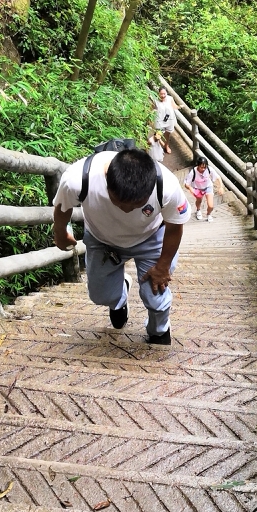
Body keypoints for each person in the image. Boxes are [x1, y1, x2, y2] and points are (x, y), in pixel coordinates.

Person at [53, 145, 190, 346]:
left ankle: (159, 331)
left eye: (136, 205)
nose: (127, 210)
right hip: (102, 238)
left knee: (155, 295)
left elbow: (175, 225)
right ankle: (120, 293)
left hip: (151, 237)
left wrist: (163, 266)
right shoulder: (79, 179)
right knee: (100, 295)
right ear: (107, 180)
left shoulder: (166, 186)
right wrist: (60, 233)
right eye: (119, 202)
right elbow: (62, 207)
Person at [184, 155, 215, 222]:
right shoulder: (193, 172)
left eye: (205, 167)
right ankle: (198, 210)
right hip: (198, 188)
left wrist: (221, 186)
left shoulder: (209, 169)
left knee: (211, 205)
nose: (203, 169)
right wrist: (190, 188)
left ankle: (208, 214)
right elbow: (186, 184)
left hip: (208, 187)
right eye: (201, 167)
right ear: (198, 166)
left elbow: (217, 177)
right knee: (199, 201)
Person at [152, 86, 178, 154]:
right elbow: (152, 109)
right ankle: (157, 148)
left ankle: (166, 145)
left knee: (168, 134)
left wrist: (180, 106)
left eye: (164, 94)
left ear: (167, 93)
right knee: (158, 135)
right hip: (160, 120)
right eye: (161, 94)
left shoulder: (170, 99)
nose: (163, 95)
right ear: (158, 93)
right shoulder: (155, 100)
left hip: (169, 119)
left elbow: (174, 106)